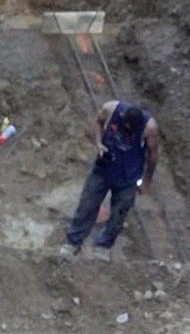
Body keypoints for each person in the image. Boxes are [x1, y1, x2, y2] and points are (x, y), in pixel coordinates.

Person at [62, 100, 159, 255]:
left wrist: (146, 181)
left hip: (128, 177)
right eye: (125, 127)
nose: (127, 130)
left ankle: (103, 247)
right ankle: (73, 242)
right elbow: (98, 122)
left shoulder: (149, 128)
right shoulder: (110, 109)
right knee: (86, 206)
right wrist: (99, 143)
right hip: (103, 169)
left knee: (118, 216)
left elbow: (152, 155)